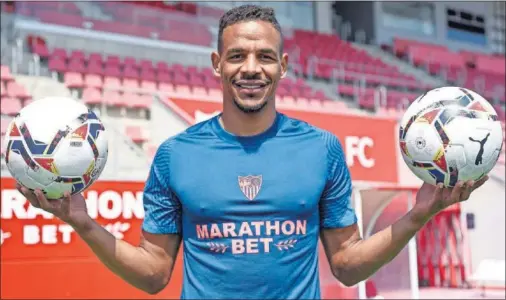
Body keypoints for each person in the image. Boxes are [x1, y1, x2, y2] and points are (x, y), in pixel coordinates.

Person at [18, 4, 488, 299]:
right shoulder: (174, 156)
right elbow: (154, 274)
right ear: (217, 64)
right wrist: (81, 221)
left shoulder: (321, 149)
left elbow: (346, 266)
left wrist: (417, 216)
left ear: (282, 67)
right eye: (238, 56)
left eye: (264, 56)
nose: (251, 68)